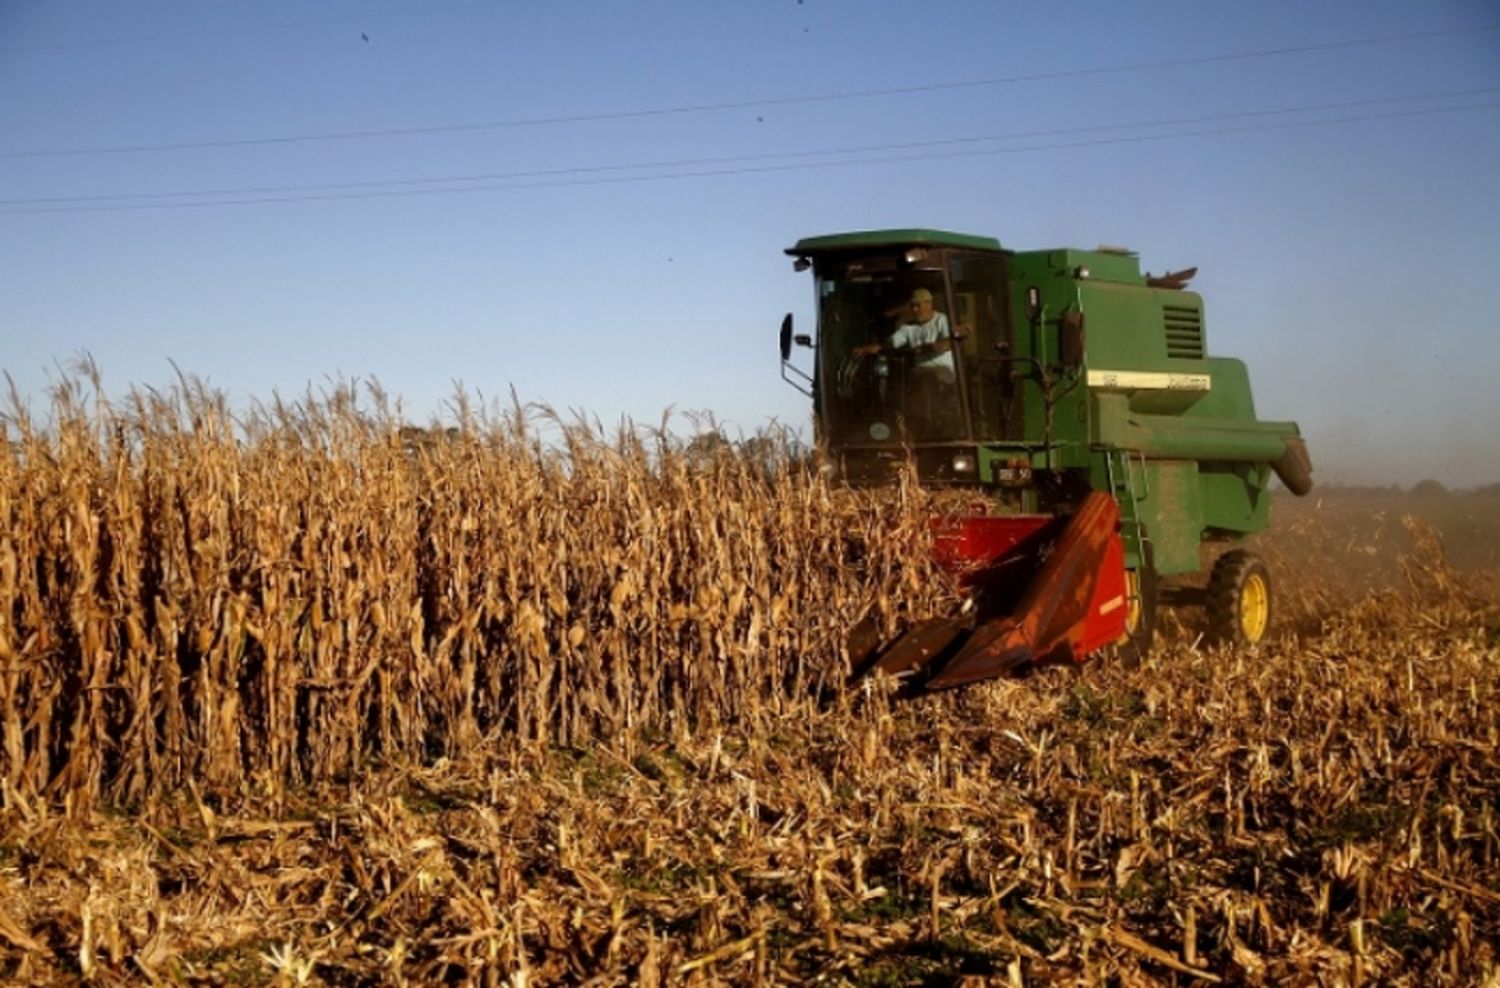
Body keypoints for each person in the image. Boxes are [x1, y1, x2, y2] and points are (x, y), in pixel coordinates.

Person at [854, 287, 955, 381]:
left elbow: (949, 342)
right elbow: (887, 345)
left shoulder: (942, 320)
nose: (915, 310)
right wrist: (864, 350)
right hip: (922, 377)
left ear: (929, 304)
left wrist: (925, 348)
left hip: (945, 377)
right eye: (912, 306)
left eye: (918, 305)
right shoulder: (908, 327)